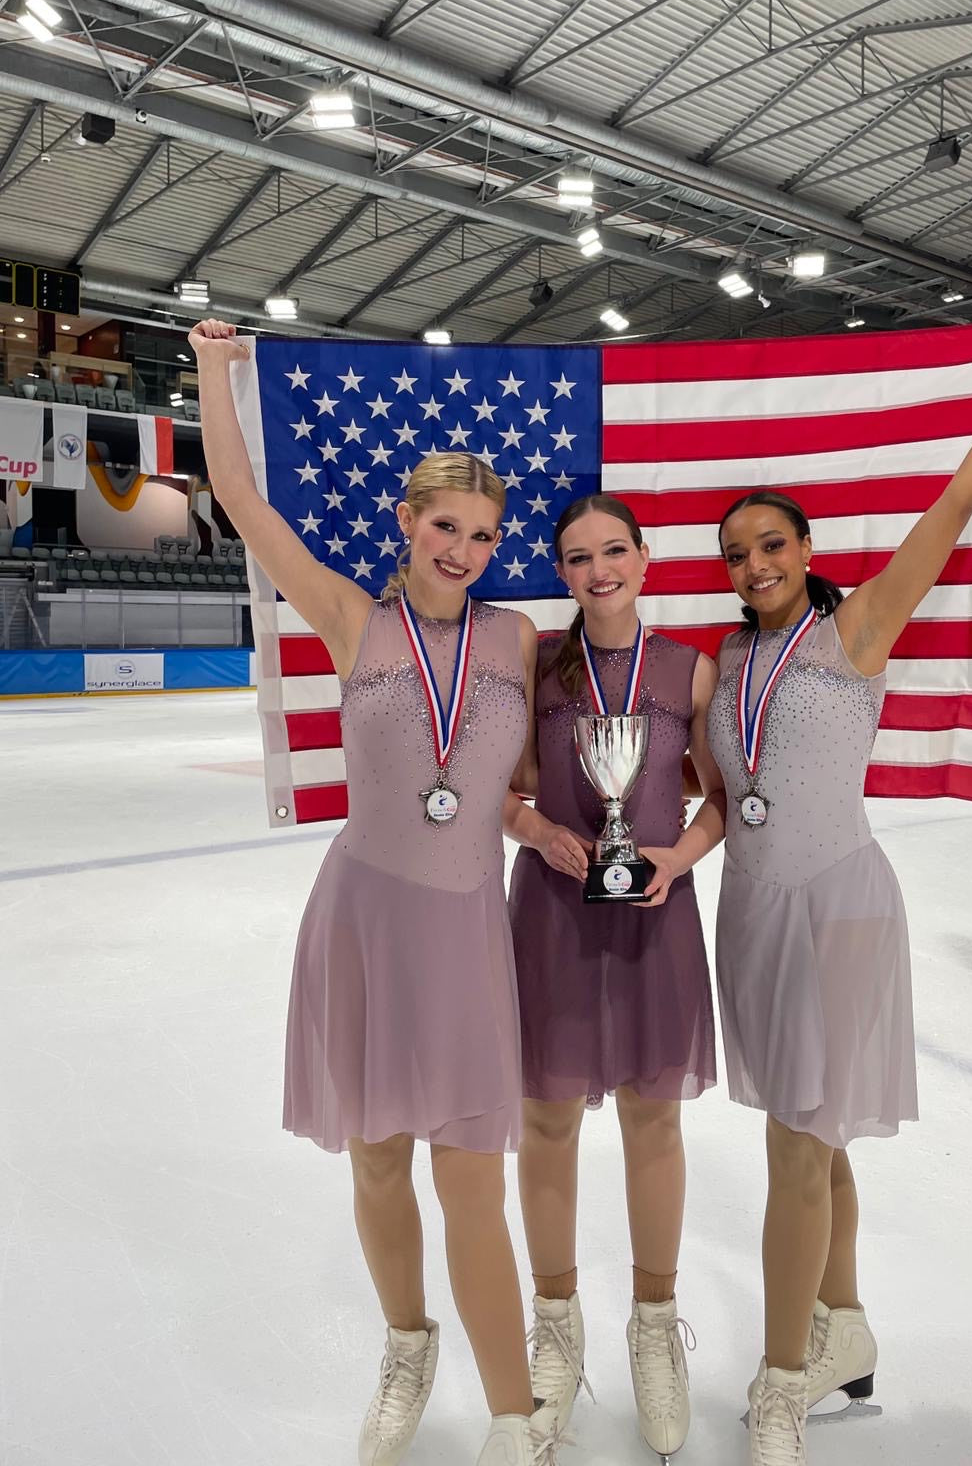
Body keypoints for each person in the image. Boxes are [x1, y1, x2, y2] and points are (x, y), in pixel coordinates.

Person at [631, 323, 972, 1465]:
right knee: (817, 1146)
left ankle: (781, 1384)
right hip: (755, 912)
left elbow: (950, 513)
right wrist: (674, 854)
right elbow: (723, 799)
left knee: (796, 1146)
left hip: (844, 905)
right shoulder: (724, 668)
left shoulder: (858, 625)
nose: (754, 563)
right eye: (735, 553)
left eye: (770, 544)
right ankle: (847, 1327)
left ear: (805, 544)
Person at [188, 319, 561, 1466]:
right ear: (406, 522)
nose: (465, 548)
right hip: (362, 917)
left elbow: (532, 784)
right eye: (446, 525)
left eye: (486, 535)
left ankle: (513, 1419)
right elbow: (247, 506)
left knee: (471, 1185)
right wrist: (214, 370)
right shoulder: (354, 617)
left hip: (462, 933)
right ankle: (407, 1345)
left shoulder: (520, 640)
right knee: (377, 1158)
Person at [503, 493, 724, 1462]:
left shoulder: (690, 669)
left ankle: (652, 1325)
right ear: (562, 570)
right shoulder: (534, 663)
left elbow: (718, 802)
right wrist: (542, 832)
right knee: (546, 1118)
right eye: (579, 557)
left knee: (654, 1115)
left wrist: (677, 861)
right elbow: (505, 791)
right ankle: (555, 1325)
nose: (600, 571)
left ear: (645, 556)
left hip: (654, 910)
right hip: (550, 911)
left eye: (614, 551)